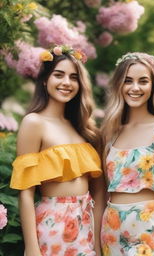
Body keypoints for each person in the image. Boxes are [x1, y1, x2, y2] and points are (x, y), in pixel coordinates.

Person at [10, 45, 105, 256]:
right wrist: (31, 247)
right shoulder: (34, 123)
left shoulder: (84, 129)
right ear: (45, 80)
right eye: (59, 75)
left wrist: (97, 244)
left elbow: (98, 191)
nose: (66, 83)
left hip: (86, 225)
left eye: (73, 77)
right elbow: (26, 192)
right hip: (52, 226)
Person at [100, 52, 154, 256]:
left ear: (153, 86)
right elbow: (102, 193)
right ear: (119, 85)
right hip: (110, 230)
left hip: (147, 227)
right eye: (128, 81)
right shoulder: (110, 131)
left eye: (143, 81)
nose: (135, 88)